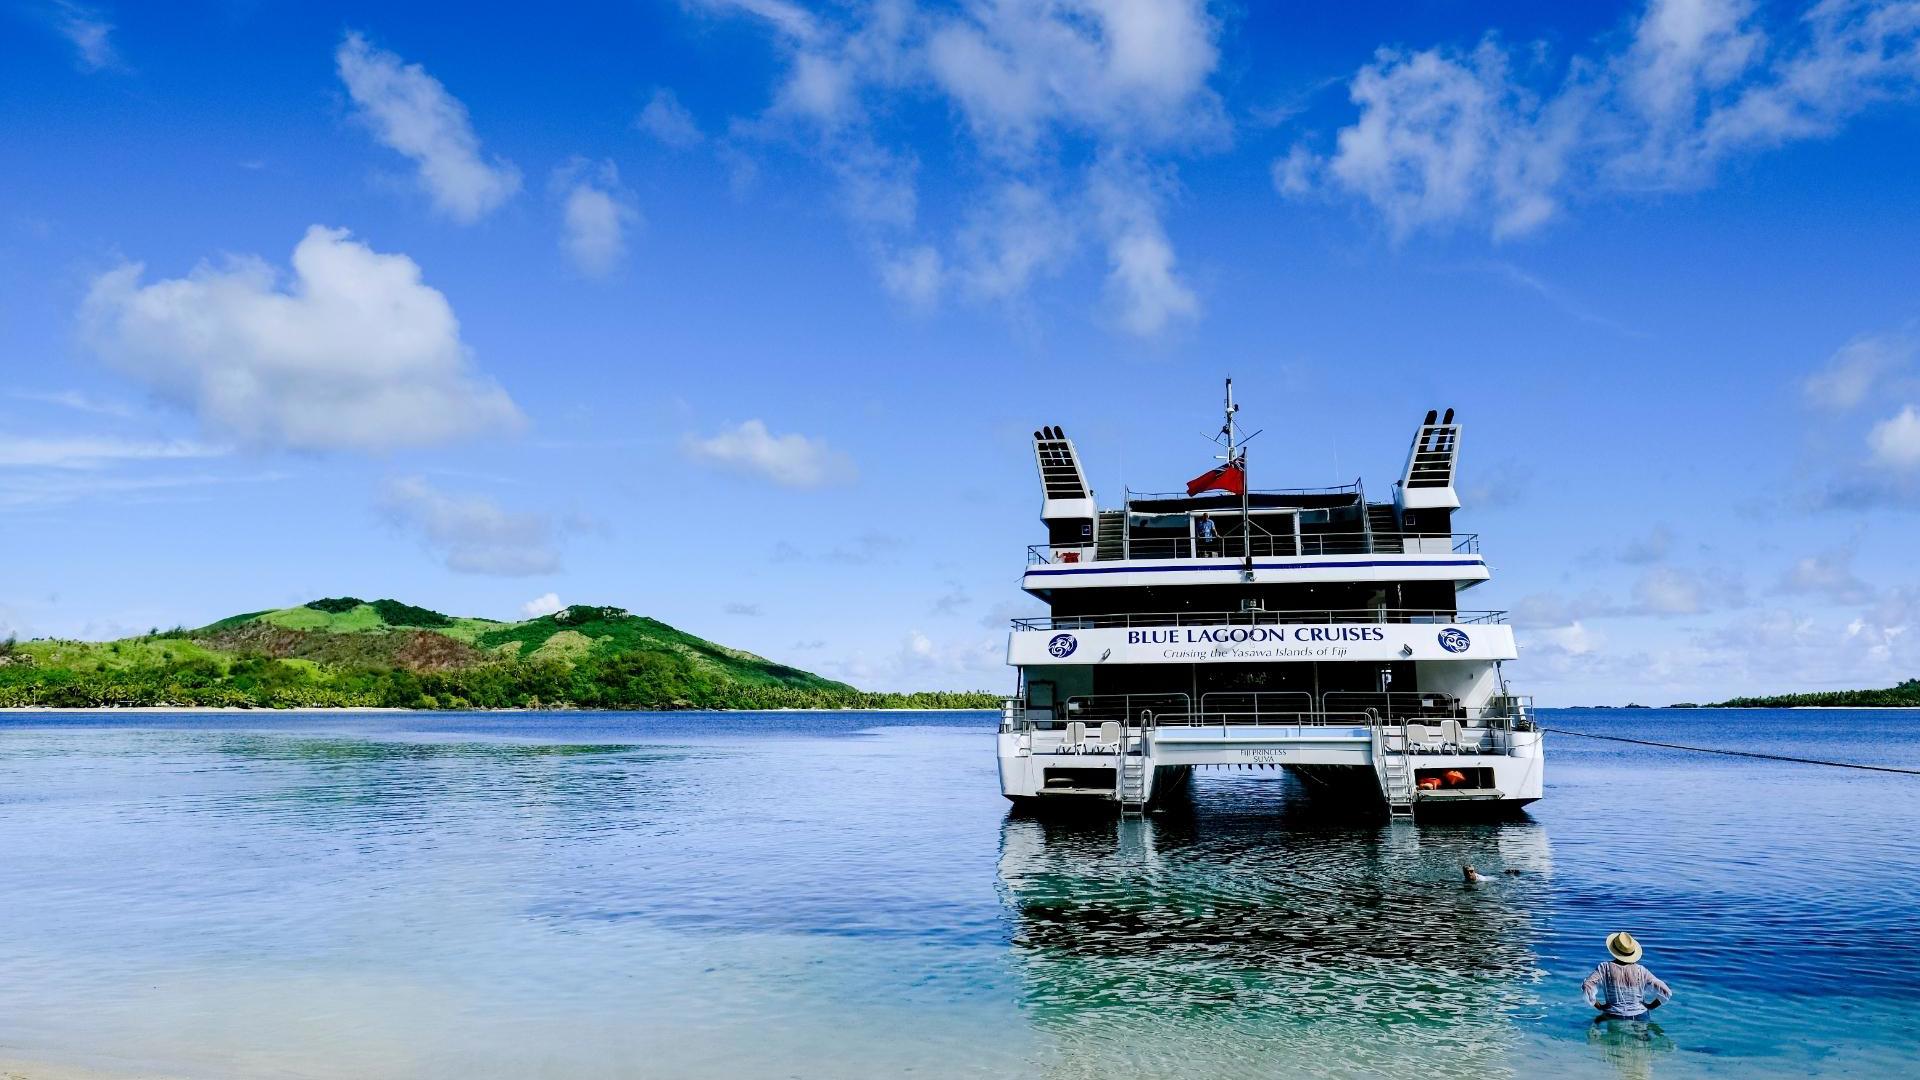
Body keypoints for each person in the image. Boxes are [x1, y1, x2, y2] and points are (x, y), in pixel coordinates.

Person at [1583, 932, 1673, 1021]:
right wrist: (1650, 1006)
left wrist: (1599, 1006)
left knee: (1599, 1024)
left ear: (1614, 950)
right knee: (1643, 1036)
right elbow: (1666, 992)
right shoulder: (1641, 970)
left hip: (1614, 1015)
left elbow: (1587, 985)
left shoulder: (1604, 967)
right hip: (1641, 1015)